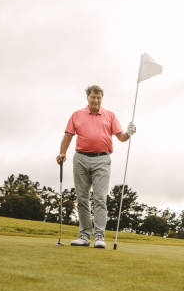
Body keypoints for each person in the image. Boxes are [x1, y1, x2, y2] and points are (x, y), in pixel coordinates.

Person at [56, 84, 136, 249]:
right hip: (81, 159)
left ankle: (99, 236)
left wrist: (128, 133)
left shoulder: (110, 115)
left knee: (100, 198)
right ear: (88, 98)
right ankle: (84, 236)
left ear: (101, 99)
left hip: (102, 159)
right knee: (82, 199)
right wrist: (62, 153)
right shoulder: (77, 115)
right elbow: (68, 136)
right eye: (93, 97)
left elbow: (121, 137)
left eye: (99, 98)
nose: (96, 100)